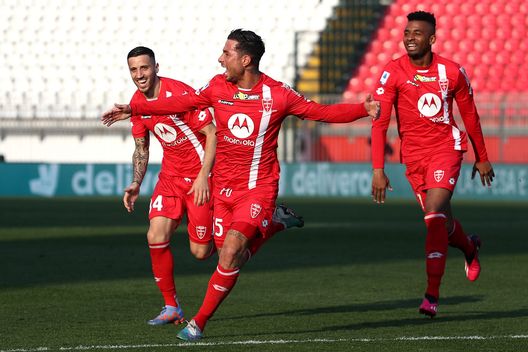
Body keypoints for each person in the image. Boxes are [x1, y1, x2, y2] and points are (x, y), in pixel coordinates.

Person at [102, 29, 380, 340]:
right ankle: (274, 223)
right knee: (221, 255)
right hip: (223, 187)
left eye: (227, 53)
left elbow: (321, 112)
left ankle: (198, 324)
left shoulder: (278, 95)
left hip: (258, 187)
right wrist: (136, 108)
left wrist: (362, 110)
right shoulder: (217, 86)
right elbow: (186, 102)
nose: (220, 58)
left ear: (245, 60)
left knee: (232, 249)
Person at [370, 11, 495, 318]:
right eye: (407, 32)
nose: (410, 37)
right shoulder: (393, 72)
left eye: (417, 33)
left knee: (434, 216)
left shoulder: (452, 72)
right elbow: (379, 122)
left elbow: (470, 115)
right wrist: (378, 169)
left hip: (446, 149)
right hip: (413, 158)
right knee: (443, 224)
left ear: (432, 39)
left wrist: (482, 156)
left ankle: (432, 296)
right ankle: (468, 247)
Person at [123, 46, 217, 326]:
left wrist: (203, 175)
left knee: (201, 253)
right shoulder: (136, 104)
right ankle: (171, 306)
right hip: (171, 178)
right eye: (134, 69)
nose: (139, 74)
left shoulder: (179, 94)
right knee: (155, 234)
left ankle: (267, 222)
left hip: (201, 177)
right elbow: (141, 147)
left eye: (144, 67)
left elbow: (211, 134)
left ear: (156, 67)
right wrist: (136, 182)